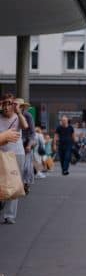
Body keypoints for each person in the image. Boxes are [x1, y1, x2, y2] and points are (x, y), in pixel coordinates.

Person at [0, 95, 26, 224]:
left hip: (17, 154)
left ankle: (10, 215)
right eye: (4, 104)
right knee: (2, 183)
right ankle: (2, 200)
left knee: (14, 184)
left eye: (9, 103)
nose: (6, 106)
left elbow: (25, 126)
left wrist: (19, 112)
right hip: (1, 154)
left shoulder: (18, 117)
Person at [15, 99, 35, 193]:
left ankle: (26, 183)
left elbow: (32, 133)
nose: (18, 108)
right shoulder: (12, 115)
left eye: (20, 106)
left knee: (26, 167)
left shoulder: (28, 116)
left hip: (26, 143)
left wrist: (29, 145)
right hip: (14, 143)